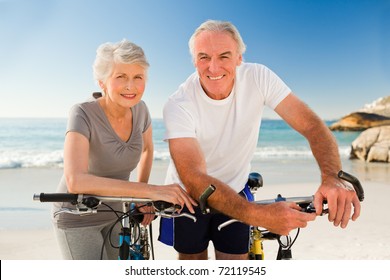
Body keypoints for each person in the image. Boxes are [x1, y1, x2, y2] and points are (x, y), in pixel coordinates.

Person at [159, 20, 361, 260]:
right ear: (194, 61)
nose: (213, 68)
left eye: (224, 56)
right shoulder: (178, 103)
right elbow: (194, 178)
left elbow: (312, 125)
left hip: (234, 189)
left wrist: (332, 177)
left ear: (239, 58)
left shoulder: (258, 77)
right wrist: (260, 215)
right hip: (189, 196)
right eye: (204, 57)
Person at [52, 39, 196, 260]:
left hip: (117, 212)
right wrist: (151, 191)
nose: (131, 86)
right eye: (121, 77)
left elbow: (148, 149)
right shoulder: (82, 113)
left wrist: (140, 194)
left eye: (138, 77)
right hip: (77, 215)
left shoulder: (141, 110)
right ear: (102, 82)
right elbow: (76, 180)